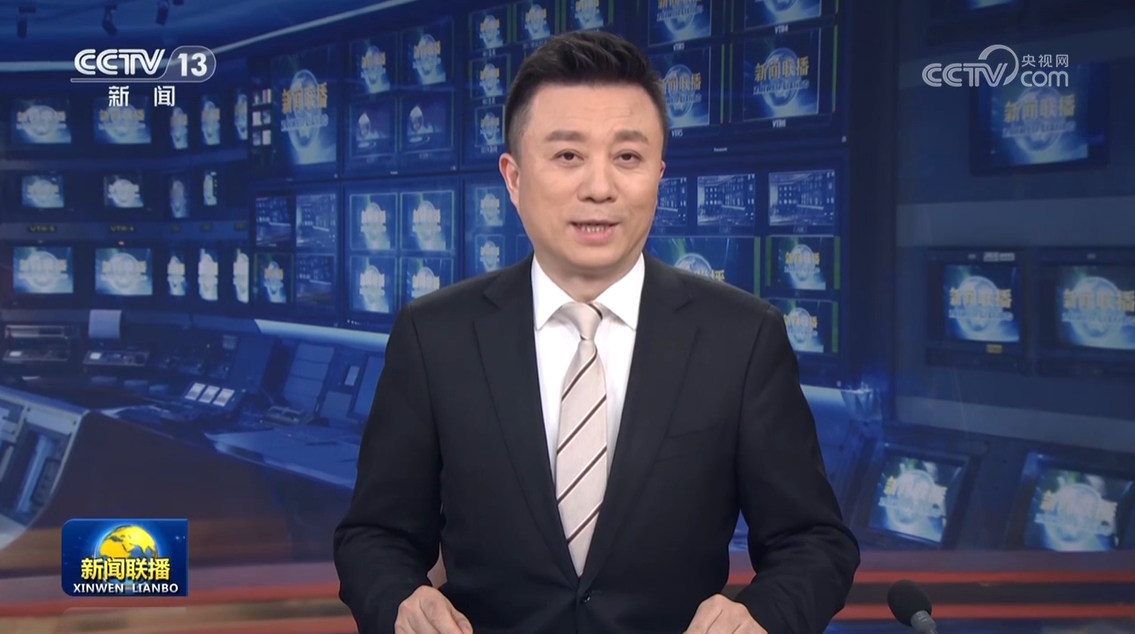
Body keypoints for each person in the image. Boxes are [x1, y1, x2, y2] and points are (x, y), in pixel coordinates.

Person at [334, 30, 860, 634]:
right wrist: (401, 602)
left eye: (628, 157)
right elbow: (374, 535)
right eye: (568, 156)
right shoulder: (435, 336)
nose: (600, 187)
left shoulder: (742, 338)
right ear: (513, 178)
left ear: (659, 174)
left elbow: (813, 541)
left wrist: (761, 616)